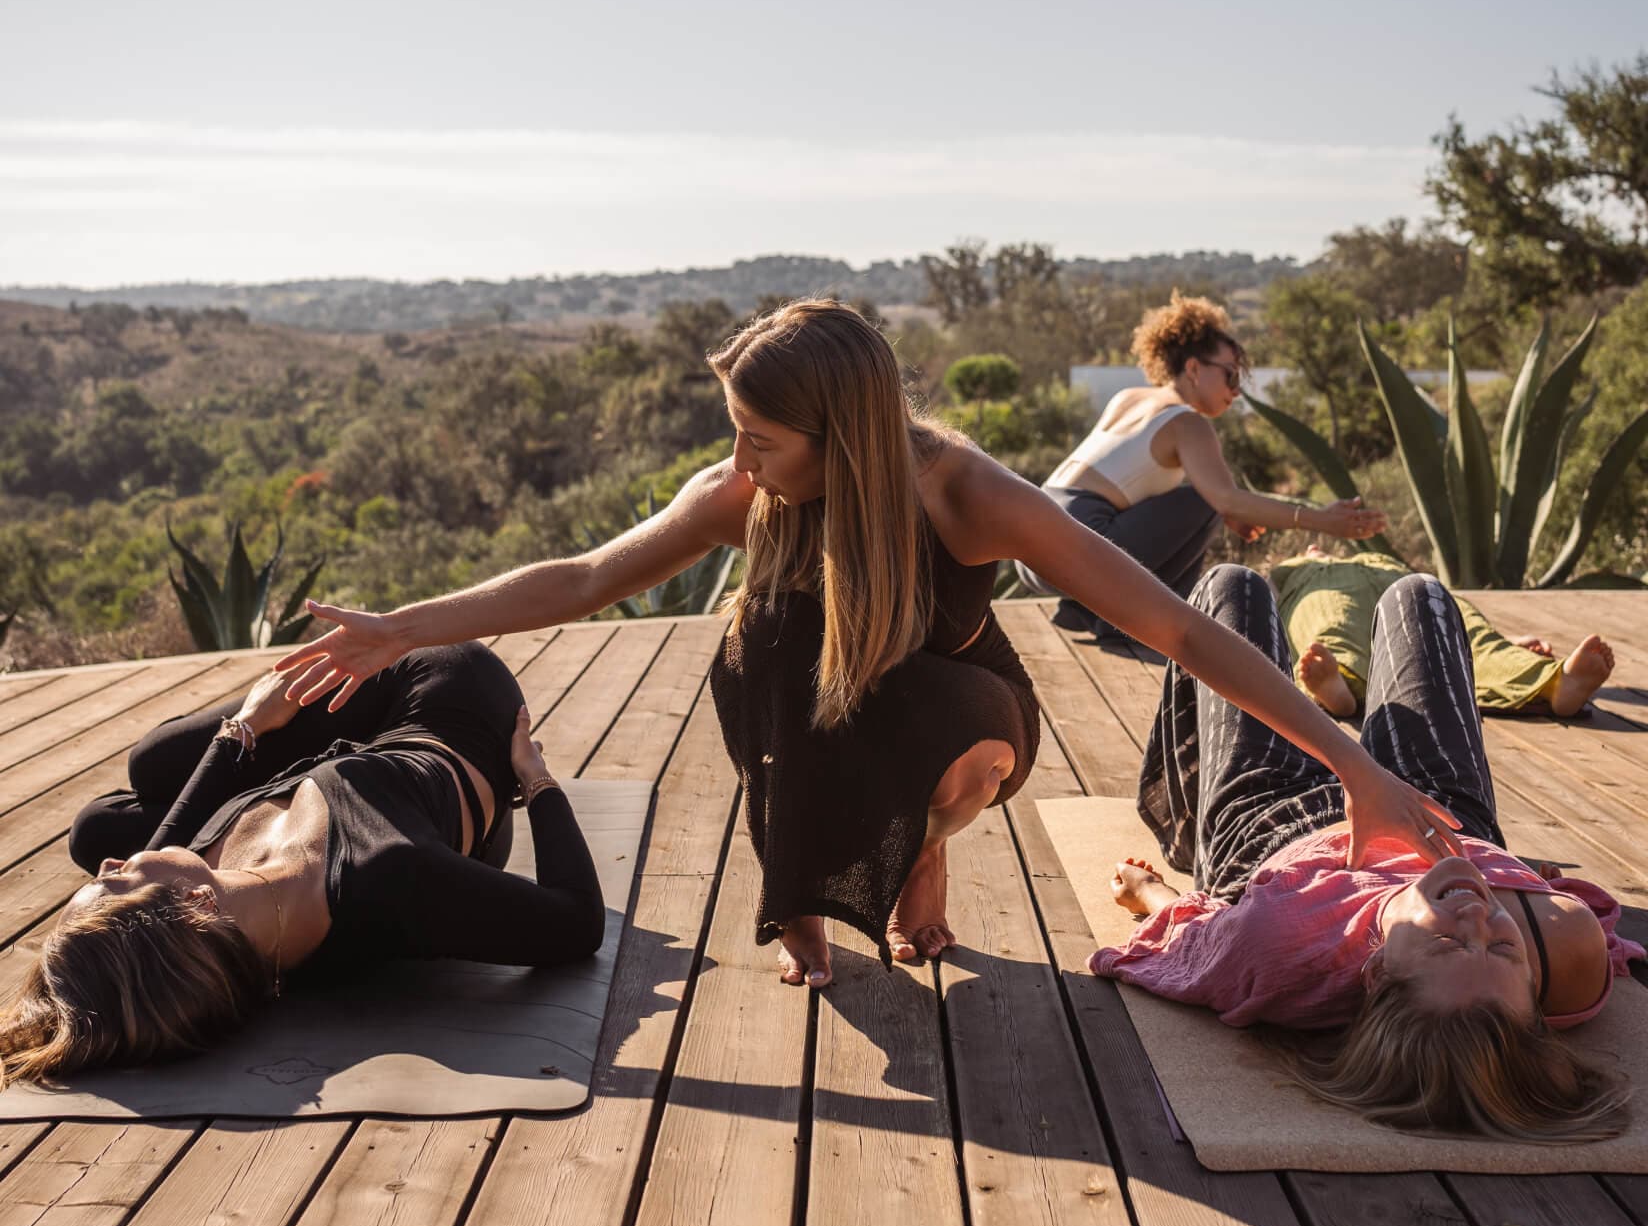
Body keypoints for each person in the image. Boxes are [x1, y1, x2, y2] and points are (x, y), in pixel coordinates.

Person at [275, 299, 1462, 992]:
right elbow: (585, 574)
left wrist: (1357, 765)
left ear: (840, 429)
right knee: (775, 630)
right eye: (733, 435)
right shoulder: (751, 491)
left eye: (761, 440)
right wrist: (398, 628)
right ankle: (805, 886)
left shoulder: (964, 492)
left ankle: (918, 844)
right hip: (798, 712)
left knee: (928, 739)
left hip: (952, 706)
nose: (738, 464)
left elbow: (1178, 626)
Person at [1092, 564, 1639, 1143]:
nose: (1479, 917)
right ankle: (1345, 694)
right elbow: (1573, 912)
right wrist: (1531, 880)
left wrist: (1145, 893)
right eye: (1505, 947)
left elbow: (1189, 945)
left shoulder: (1276, 945)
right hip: (1441, 814)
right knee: (1419, 594)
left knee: (1232, 587)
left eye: (1451, 942)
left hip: (1276, 817)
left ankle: (1185, 815)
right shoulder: (1567, 951)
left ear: (1376, 971)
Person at [0, 643, 600, 1087]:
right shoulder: (390, 873)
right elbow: (576, 922)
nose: (110, 865)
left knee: (99, 822)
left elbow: (148, 856)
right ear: (193, 906)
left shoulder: (222, 922)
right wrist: (535, 777)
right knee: (152, 762)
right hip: (447, 710)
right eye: (115, 882)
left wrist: (248, 726)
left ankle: (257, 737)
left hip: (321, 764)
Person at [1015, 293, 1388, 637]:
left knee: (1205, 503)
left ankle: (1086, 612)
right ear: (1193, 368)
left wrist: (1219, 507)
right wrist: (1322, 520)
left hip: (1033, 547)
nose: (1236, 390)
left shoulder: (1129, 398)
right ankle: (1154, 624)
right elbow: (1225, 499)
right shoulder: (1188, 422)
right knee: (1207, 502)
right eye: (1230, 374)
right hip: (1081, 547)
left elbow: (1125, 481)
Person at [1272, 546, 1617, 718]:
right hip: (1330, 587)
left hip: (1400, 584)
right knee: (1332, 624)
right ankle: (1337, 688)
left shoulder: (1378, 557)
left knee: (1462, 627)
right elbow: (1268, 608)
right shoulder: (1297, 570)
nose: (1317, 546)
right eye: (1309, 548)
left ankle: (1556, 683)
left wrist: (1507, 640)